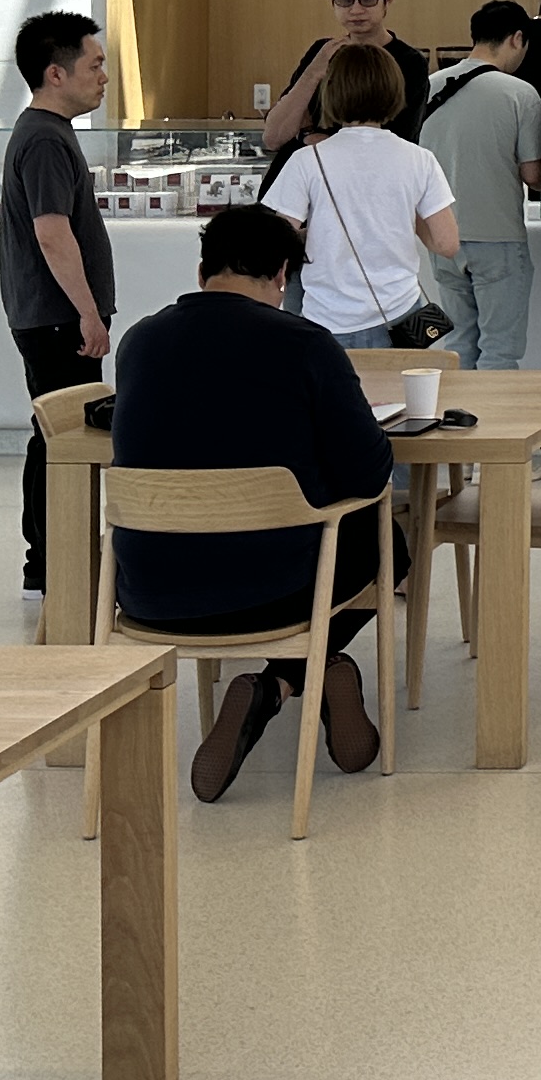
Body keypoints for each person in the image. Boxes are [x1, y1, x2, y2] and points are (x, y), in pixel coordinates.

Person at [109, 205, 405, 803]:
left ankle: (291, 681)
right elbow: (370, 472)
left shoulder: (139, 342)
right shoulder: (305, 344)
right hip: (273, 594)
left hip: (147, 594)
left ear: (201, 272)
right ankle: (282, 682)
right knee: (390, 543)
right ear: (282, 275)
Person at [1, 10, 116, 595]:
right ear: (55, 73)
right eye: (94, 65)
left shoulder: (48, 131)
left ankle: (48, 559)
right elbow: (52, 232)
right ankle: (53, 563)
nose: (103, 76)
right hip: (56, 318)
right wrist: (87, 313)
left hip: (52, 314)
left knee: (52, 431)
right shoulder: (45, 138)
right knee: (63, 436)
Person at [263, 43, 458, 348]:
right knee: (399, 383)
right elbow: (446, 244)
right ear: (395, 91)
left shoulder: (306, 160)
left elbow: (276, 243)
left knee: (329, 382)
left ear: (331, 93)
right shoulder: (419, 160)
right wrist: (403, 212)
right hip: (399, 315)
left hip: (325, 316)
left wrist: (319, 232)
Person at [416, 1, 541, 370]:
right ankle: (494, 410)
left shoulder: (429, 87)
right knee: (499, 350)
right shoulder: (520, 94)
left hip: (442, 235)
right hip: (498, 236)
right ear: (517, 38)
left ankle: (461, 407)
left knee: (459, 343)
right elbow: (532, 174)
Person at [262, 0, 433, 160]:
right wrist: (313, 73)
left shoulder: (409, 62)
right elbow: (273, 137)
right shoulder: (322, 51)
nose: (356, 10)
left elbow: (396, 145)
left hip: (361, 175)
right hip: (300, 170)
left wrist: (310, 134)